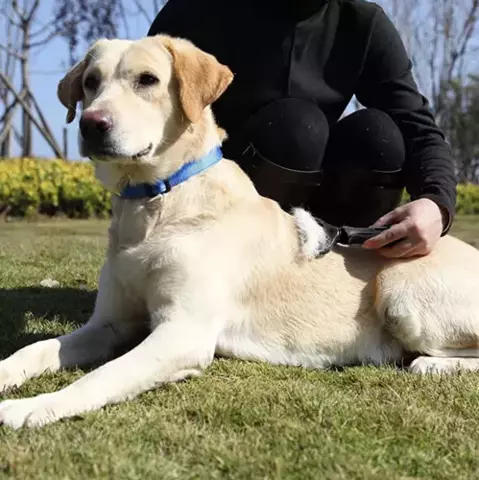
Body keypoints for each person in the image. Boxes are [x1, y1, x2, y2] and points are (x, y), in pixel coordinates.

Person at [147, 0, 458, 259]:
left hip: (319, 206)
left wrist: (437, 204)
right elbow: (141, 107)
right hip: (221, 205)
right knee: (296, 129)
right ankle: (243, 266)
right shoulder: (198, 10)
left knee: (379, 136)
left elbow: (417, 127)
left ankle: (344, 264)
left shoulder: (363, 22)